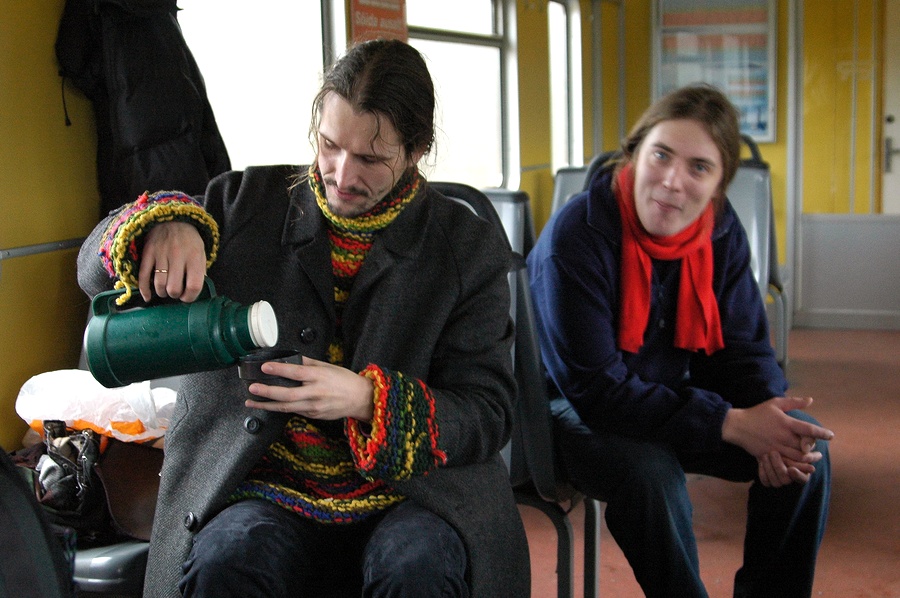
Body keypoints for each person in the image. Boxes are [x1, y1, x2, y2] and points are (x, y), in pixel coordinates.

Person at [77, 39, 529, 598]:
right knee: (228, 562)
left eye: (370, 160)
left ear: (417, 150)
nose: (341, 175)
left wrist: (369, 401)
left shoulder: (466, 248)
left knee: (417, 568)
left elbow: (488, 412)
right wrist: (163, 224)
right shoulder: (243, 205)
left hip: (413, 492)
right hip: (263, 485)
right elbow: (92, 276)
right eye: (329, 145)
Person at [527, 84, 833, 598]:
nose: (672, 181)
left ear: (718, 184)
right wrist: (728, 422)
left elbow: (744, 349)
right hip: (572, 410)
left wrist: (768, 417)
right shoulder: (576, 236)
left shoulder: (719, 230)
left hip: (665, 400)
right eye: (661, 155)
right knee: (652, 475)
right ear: (635, 153)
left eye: (699, 167)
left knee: (803, 451)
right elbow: (597, 391)